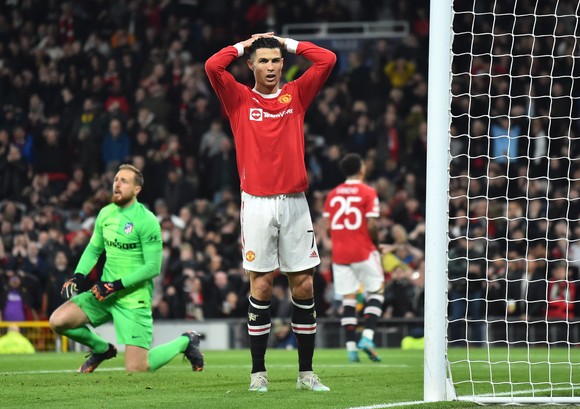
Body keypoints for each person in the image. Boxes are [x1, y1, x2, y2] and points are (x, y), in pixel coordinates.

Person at [205, 32, 336, 392]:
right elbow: (212, 65)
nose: (270, 67)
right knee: (261, 286)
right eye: (262, 60)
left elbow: (327, 59)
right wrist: (243, 44)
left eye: (275, 60)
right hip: (257, 203)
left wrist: (287, 42)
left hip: (295, 202)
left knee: (305, 284)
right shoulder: (238, 98)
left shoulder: (296, 94)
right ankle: (258, 374)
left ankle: (306, 373)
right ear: (251, 65)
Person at [49, 164, 204, 373]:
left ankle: (186, 341)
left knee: (138, 368)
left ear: (136, 190)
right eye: (115, 180)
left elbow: (152, 267)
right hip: (104, 293)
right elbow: (94, 249)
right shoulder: (106, 214)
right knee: (58, 321)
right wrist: (78, 276)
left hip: (133, 298)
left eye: (124, 181)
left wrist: (115, 285)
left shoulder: (147, 220)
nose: (117, 185)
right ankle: (101, 349)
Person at [322, 153, 385, 363]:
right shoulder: (367, 191)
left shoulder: (333, 194)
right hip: (363, 250)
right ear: (361, 169)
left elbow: (329, 226)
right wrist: (376, 245)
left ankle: (351, 350)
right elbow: (372, 224)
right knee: (376, 291)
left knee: (348, 298)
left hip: (340, 254)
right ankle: (367, 337)